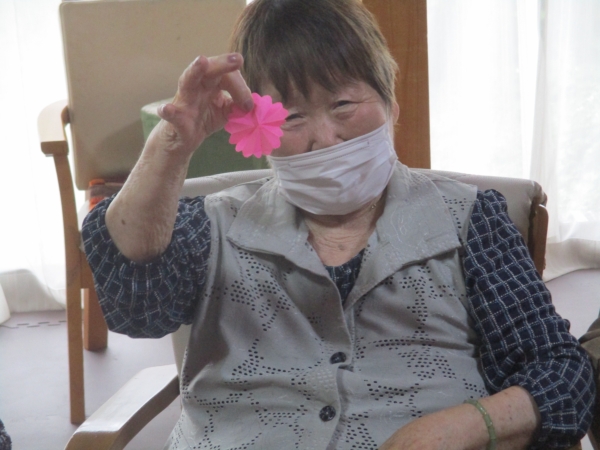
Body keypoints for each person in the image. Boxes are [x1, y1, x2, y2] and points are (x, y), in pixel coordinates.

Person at [82, 0, 594, 448]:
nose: (325, 139)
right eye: (292, 118)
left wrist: (462, 427)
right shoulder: (213, 225)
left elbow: (561, 375)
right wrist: (174, 143)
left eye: (343, 105)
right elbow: (136, 310)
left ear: (391, 104)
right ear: (260, 129)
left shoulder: (469, 219)